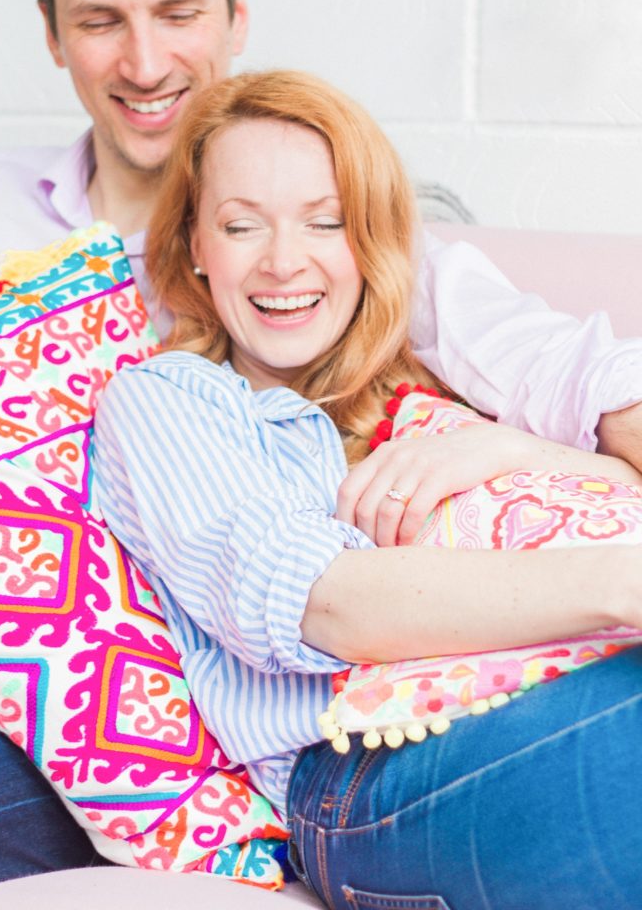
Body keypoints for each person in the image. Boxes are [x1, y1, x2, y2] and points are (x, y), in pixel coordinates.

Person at [0, 0, 640, 906]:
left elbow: (584, 377)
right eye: (101, 20)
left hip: (228, 696)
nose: (143, 62)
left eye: (178, 13)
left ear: (237, 11)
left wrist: (526, 449)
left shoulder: (370, 260)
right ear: (53, 34)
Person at [93, 69, 642, 910]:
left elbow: (604, 429)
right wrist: (617, 585)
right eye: (242, 226)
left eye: (326, 222)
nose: (284, 262)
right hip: (364, 771)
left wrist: (507, 449)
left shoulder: (436, 362)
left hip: (546, 682)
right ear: (195, 246)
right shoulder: (169, 400)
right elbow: (325, 603)